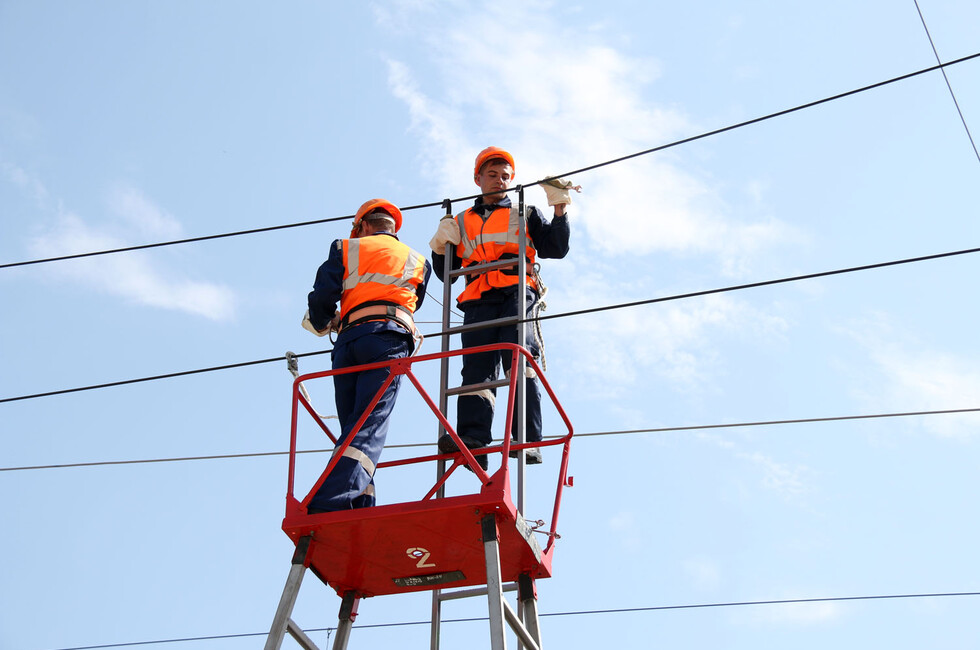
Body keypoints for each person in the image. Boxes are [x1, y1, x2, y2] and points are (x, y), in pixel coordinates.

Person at [429, 147, 574, 469]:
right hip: (478, 296)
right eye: (492, 175)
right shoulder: (460, 220)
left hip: (516, 291)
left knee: (519, 359)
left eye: (505, 176)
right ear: (478, 179)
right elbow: (445, 274)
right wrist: (441, 246)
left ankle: (526, 439)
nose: (500, 181)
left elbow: (556, 248)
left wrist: (560, 209)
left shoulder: (525, 211)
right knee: (476, 371)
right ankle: (473, 439)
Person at [302, 198, 431, 512]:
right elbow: (411, 302)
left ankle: (359, 503)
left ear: (361, 226)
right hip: (388, 338)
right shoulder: (417, 260)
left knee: (353, 428)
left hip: (348, 344)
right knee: (368, 425)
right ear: (392, 229)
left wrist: (322, 322)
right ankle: (331, 501)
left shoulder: (345, 247)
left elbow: (322, 299)